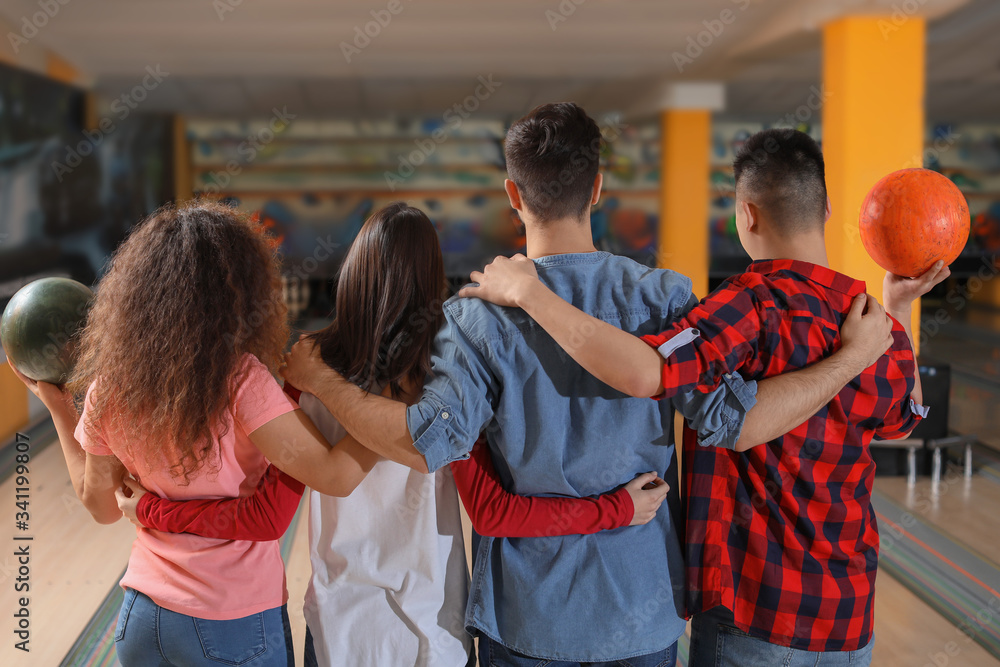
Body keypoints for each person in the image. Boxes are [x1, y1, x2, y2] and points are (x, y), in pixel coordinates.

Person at [280, 105, 895, 666]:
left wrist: (326, 386)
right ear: (598, 189)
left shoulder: (475, 318)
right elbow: (733, 417)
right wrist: (858, 347)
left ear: (513, 195)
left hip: (527, 619)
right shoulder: (667, 297)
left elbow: (423, 443)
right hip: (642, 609)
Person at [459, 128, 947, 666]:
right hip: (847, 616)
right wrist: (897, 310)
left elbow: (653, 374)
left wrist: (531, 293)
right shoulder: (869, 321)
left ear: (746, 215)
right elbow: (905, 417)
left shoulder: (742, 307)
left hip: (754, 606)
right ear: (827, 208)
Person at [114, 202, 671, 667]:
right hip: (433, 629)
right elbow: (495, 514)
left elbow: (265, 515)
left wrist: (158, 512)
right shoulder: (452, 381)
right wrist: (614, 509)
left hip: (337, 627)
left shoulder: (303, 371)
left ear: (354, 272)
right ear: (434, 282)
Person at [9, 202, 350, 666]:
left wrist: (58, 407)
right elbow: (329, 472)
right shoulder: (242, 381)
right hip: (232, 622)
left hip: (143, 616)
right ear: (240, 294)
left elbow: (102, 506)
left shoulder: (109, 388)